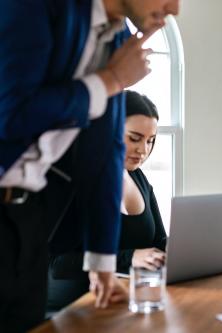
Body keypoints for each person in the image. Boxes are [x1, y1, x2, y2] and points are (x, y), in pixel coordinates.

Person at [0, 1, 179, 331]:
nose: (175, 8)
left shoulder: (116, 38)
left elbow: (105, 153)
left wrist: (102, 262)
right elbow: (10, 114)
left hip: (29, 216)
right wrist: (110, 80)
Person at [46, 91, 167, 314]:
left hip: (125, 299)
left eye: (150, 141)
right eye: (135, 138)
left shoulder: (138, 178)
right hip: (74, 308)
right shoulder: (75, 181)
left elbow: (158, 239)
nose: (143, 150)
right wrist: (130, 258)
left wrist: (189, 254)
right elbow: (56, 264)